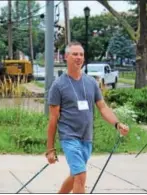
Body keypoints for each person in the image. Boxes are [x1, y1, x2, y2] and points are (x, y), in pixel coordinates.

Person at [46, 41, 129, 194]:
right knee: (81, 175)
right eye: (75, 54)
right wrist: (50, 149)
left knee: (76, 176)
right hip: (69, 137)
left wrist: (118, 124)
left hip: (87, 138)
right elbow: (53, 119)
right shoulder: (58, 85)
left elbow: (103, 108)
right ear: (66, 57)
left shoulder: (91, 82)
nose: (79, 57)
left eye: (81, 54)